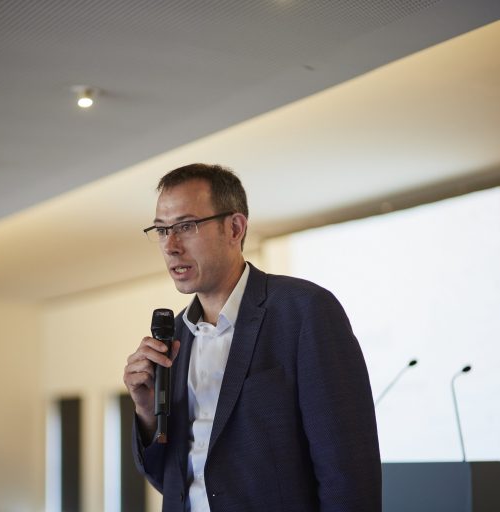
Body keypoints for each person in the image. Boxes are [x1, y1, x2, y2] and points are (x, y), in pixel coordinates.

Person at [123, 163, 381, 511]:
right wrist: (146, 412)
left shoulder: (304, 311)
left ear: (234, 227)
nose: (170, 246)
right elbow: (173, 482)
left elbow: (348, 473)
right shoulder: (175, 336)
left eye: (185, 226)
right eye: (162, 229)